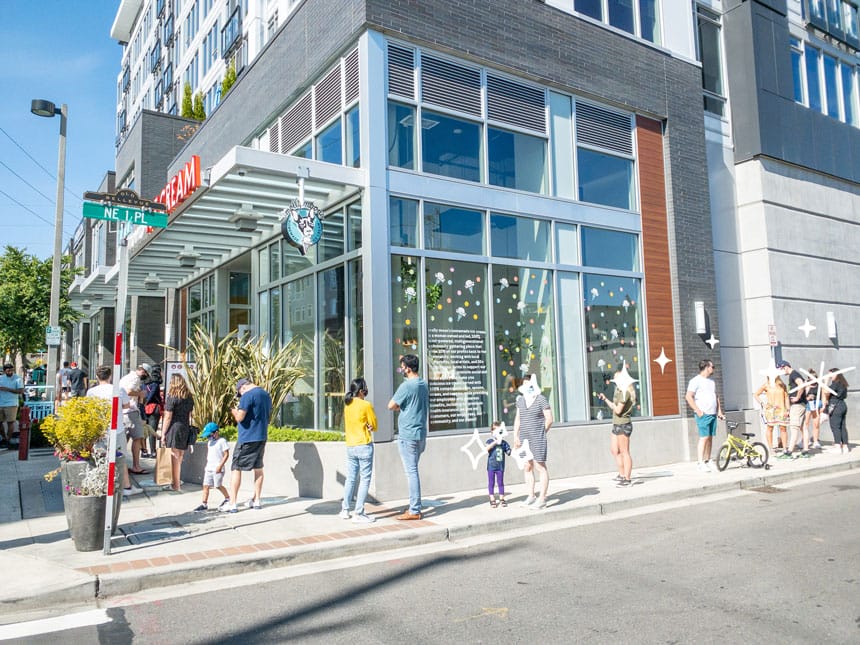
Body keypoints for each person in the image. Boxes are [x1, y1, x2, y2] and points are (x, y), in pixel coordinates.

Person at [87, 365, 142, 496]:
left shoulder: (91, 392)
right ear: (110, 376)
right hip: (116, 428)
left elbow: (89, 409)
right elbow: (126, 405)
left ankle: (102, 485)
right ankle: (126, 487)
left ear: (97, 377)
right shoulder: (117, 389)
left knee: (100, 457)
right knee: (121, 458)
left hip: (99, 429)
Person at [388, 354, 429, 520]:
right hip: (420, 434)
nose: (401, 369)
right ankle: (414, 505)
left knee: (411, 472)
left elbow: (390, 405)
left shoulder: (406, 386)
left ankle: (414, 509)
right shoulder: (424, 384)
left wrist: (400, 408)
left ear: (408, 368)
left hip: (408, 434)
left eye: (402, 367)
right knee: (413, 470)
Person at [222, 378, 272, 512]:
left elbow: (240, 417)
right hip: (261, 436)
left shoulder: (247, 396)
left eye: (239, 392)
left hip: (247, 438)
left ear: (242, 387)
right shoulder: (266, 395)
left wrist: (233, 410)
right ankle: (257, 500)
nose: (240, 395)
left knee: (236, 468)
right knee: (258, 468)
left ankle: (232, 503)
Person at [339, 377, 378, 524]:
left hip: (350, 446)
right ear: (362, 391)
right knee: (365, 479)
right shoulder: (366, 405)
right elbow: (374, 425)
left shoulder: (347, 404)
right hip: (363, 445)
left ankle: (345, 510)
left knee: (351, 478)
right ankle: (359, 512)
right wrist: (370, 427)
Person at [513, 374, 553, 508]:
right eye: (524, 384)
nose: (526, 386)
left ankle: (542, 498)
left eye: (528, 383)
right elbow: (518, 419)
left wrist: (541, 433)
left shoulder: (541, 399)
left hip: (537, 438)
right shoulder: (521, 400)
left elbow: (549, 419)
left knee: (540, 466)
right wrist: (515, 436)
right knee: (527, 466)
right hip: (524, 438)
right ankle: (531, 495)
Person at [599, 366, 636, 487]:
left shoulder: (625, 392)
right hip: (616, 423)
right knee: (615, 450)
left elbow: (618, 410)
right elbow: (614, 408)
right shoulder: (620, 392)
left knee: (625, 452)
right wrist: (606, 399)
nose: (614, 381)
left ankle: (627, 479)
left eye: (616, 379)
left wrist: (614, 407)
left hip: (623, 424)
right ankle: (621, 475)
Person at [685, 359, 725, 472]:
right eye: (713, 366)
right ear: (707, 367)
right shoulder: (695, 381)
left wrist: (719, 411)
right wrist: (698, 410)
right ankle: (700, 462)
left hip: (712, 413)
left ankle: (708, 460)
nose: (713, 369)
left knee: (710, 438)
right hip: (703, 414)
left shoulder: (711, 382)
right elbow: (688, 396)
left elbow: (715, 397)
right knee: (704, 437)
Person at [162, 373, 195, 493]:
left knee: (174, 456)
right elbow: (191, 414)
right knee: (180, 456)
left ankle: (176, 485)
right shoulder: (189, 397)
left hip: (174, 428)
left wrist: (163, 433)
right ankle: (175, 482)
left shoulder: (172, 397)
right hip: (185, 426)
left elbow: (168, 417)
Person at [119, 364, 152, 474]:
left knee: (124, 439)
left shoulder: (125, 377)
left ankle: (121, 466)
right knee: (138, 438)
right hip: (131, 411)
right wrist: (140, 394)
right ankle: (136, 466)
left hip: (123, 411)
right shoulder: (135, 378)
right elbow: (128, 391)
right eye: (146, 374)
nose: (145, 376)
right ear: (143, 371)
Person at [193, 422, 231, 512]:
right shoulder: (209, 442)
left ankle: (228, 498)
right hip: (209, 468)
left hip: (218, 468)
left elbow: (226, 454)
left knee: (218, 485)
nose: (208, 437)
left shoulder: (222, 441)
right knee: (205, 486)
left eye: (209, 435)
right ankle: (204, 503)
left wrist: (220, 466)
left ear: (216, 432)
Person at [778, 360, 809, 459]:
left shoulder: (793, 374)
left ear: (785, 367)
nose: (782, 372)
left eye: (782, 369)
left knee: (794, 427)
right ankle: (805, 451)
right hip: (802, 404)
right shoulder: (795, 374)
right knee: (803, 427)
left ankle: (789, 452)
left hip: (797, 405)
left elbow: (801, 385)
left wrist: (797, 397)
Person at [753, 374, 789, 453]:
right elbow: (756, 394)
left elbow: (786, 397)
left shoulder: (782, 385)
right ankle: (771, 448)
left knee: (783, 428)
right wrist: (763, 404)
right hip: (771, 410)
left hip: (782, 409)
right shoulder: (766, 385)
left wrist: (788, 409)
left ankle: (785, 448)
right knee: (770, 428)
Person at [485, 421, 511, 507]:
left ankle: (502, 498)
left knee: (500, 482)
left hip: (500, 466)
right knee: (491, 482)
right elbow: (486, 449)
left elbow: (509, 452)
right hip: (491, 466)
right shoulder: (490, 441)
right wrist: (495, 442)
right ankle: (492, 499)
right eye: (495, 431)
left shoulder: (503, 443)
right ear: (492, 432)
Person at [824, 369, 850, 454]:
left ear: (836, 374)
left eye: (831, 374)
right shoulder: (843, 383)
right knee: (842, 426)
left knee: (835, 427)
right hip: (842, 405)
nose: (830, 376)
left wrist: (826, 381)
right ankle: (845, 446)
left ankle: (838, 446)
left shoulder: (836, 383)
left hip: (835, 406)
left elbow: (826, 391)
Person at [142, 365, 163, 458]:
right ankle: (153, 451)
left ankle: (144, 451)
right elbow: (153, 394)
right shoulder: (156, 383)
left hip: (144, 408)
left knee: (144, 431)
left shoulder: (144, 382)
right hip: (154, 408)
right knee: (152, 430)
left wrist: (144, 403)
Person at [0, 363, 23, 449]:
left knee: (10, 422)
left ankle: (8, 440)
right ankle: (4, 438)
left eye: (11, 370)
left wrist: (7, 389)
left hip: (12, 403)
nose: (10, 372)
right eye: (8, 370)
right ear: (4, 371)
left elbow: (20, 391)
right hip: (1, 403)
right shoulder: (1, 378)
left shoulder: (17, 379)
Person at [803, 368, 823, 450]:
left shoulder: (819, 385)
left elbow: (823, 395)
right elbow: (802, 395)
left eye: (813, 378)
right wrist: (807, 391)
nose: (811, 379)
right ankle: (804, 440)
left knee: (816, 423)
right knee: (805, 423)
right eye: (810, 378)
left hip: (816, 404)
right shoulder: (806, 385)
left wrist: (823, 406)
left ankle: (815, 441)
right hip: (808, 404)